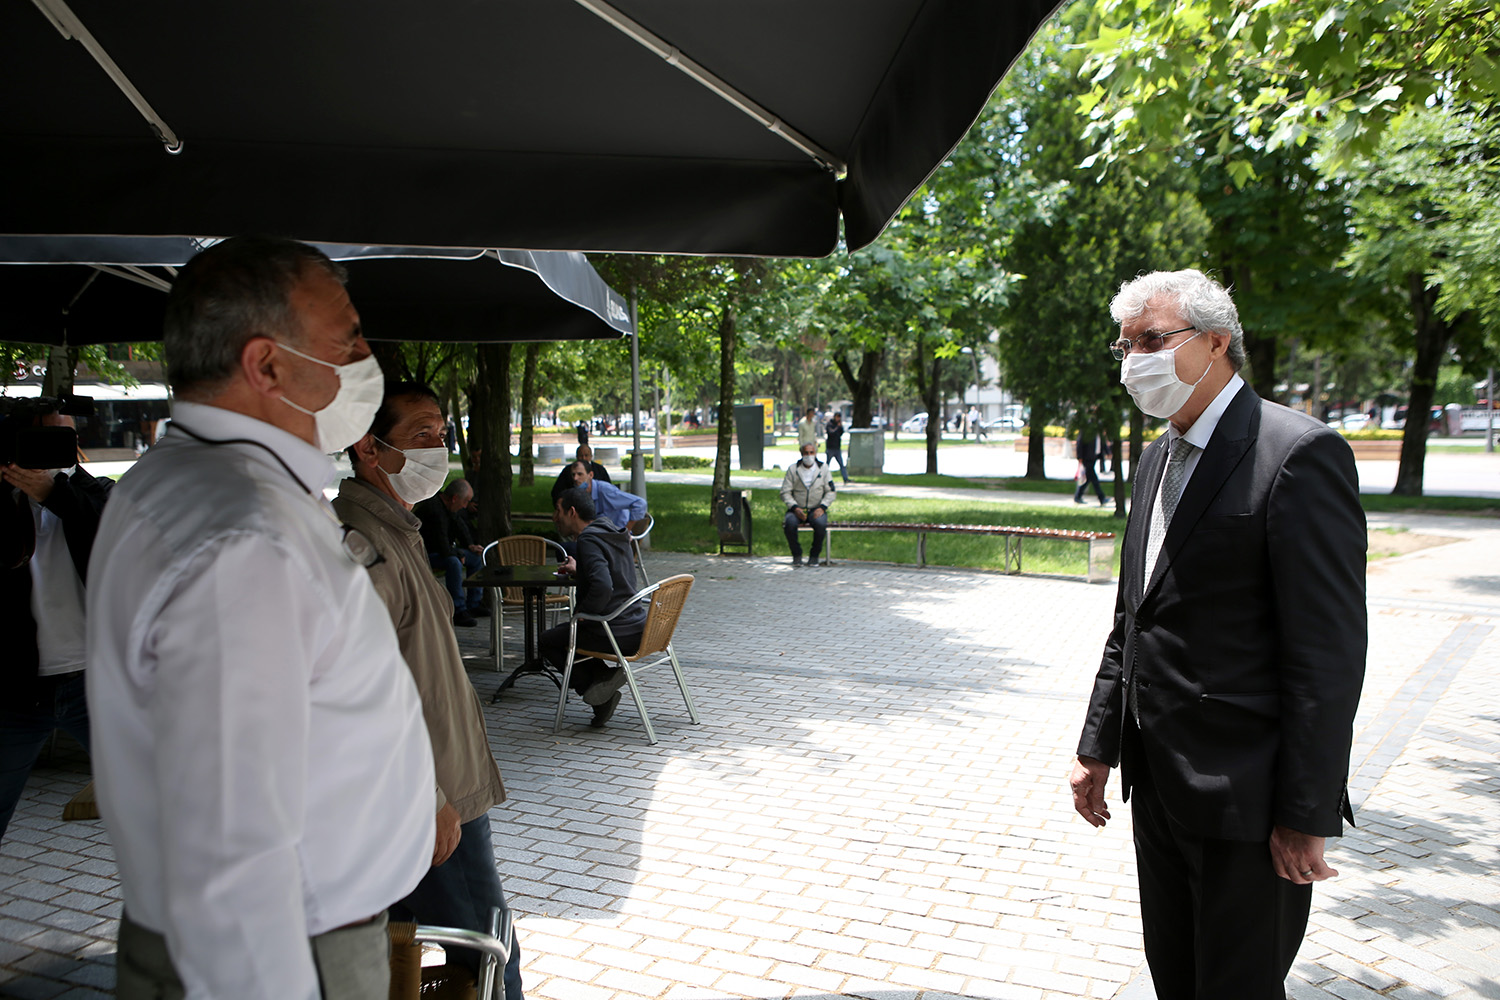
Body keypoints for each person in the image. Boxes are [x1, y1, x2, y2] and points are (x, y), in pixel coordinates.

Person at [86, 235, 435, 1000]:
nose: (365, 354)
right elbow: (231, 856)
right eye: (345, 338)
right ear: (267, 365)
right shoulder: (245, 541)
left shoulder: (188, 481)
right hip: (286, 951)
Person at [1069, 269, 1366, 1000]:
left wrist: (1307, 813)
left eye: (1151, 339)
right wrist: (1097, 745)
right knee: (1178, 979)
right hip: (1160, 790)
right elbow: (1132, 619)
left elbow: (1327, 658)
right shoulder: (1154, 459)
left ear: (1217, 342)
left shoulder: (1297, 454)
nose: (1133, 358)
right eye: (1124, 343)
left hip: (1249, 801)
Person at [334, 382, 524, 998]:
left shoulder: (400, 531)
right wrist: (430, 796)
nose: (438, 448)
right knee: (486, 958)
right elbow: (352, 694)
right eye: (421, 435)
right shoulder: (359, 545)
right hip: (428, 802)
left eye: (442, 433)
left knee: (402, 957)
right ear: (369, 446)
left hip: (436, 790)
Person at [1, 411, 110, 842]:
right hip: (15, 693)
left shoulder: (90, 493)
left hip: (95, 684)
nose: (52, 447)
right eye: (42, 436)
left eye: (64, 436)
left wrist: (56, 493)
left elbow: (122, 533)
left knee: (157, 801)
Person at [538, 486, 646, 728]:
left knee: (548, 640)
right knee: (568, 634)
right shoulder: (609, 529)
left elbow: (603, 587)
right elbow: (611, 575)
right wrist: (581, 570)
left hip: (615, 631)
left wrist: (582, 614)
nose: (555, 517)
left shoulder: (588, 539)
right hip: (636, 625)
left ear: (572, 512)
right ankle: (602, 681)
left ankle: (597, 691)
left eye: (558, 511)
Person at [416, 478, 487, 626]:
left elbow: (460, 526)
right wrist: (457, 554)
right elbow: (440, 543)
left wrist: (470, 545)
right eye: (465, 501)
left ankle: (474, 603)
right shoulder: (434, 509)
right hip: (426, 554)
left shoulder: (450, 508)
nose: (465, 506)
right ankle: (458, 609)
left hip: (444, 550)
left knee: (475, 558)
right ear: (455, 498)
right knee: (453, 562)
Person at [780, 442, 836, 567]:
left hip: (816, 508)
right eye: (806, 453)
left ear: (815, 453)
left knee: (821, 525)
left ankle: (814, 556)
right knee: (789, 524)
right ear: (801, 454)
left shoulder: (823, 469)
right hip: (796, 508)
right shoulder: (793, 470)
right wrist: (794, 508)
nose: (809, 455)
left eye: (811, 452)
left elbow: (831, 492)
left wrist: (822, 507)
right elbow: (785, 492)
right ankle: (797, 555)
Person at [568, 459, 647, 533]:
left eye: (580, 474)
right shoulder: (579, 493)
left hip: (614, 535)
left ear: (591, 475)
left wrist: (626, 531)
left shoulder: (606, 490)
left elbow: (640, 503)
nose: (575, 478)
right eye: (573, 475)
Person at [1073, 426, 1110, 507]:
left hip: (1094, 457)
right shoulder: (1087, 431)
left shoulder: (1099, 434)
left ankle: (1078, 496)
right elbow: (1079, 442)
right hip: (1087, 457)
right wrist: (1079, 456)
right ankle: (1101, 497)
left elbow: (1103, 443)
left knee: (1089, 477)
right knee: (1093, 478)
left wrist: (1108, 452)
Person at [824, 411, 851, 484]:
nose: (838, 418)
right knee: (827, 465)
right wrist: (837, 427)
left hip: (837, 448)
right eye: (837, 417)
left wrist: (840, 427)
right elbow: (831, 432)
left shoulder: (839, 425)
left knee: (841, 465)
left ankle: (845, 478)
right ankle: (823, 478)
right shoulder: (830, 424)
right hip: (830, 447)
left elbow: (841, 433)